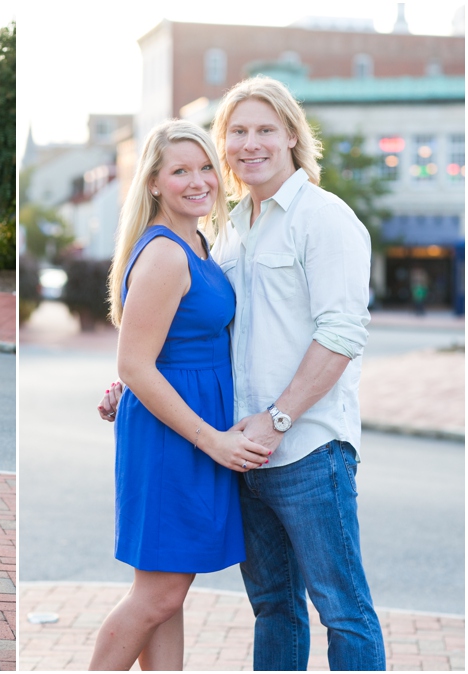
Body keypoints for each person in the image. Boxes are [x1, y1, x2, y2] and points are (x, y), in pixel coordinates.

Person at [101, 76, 386, 671]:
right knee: (273, 607)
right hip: (232, 448)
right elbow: (189, 328)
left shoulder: (325, 219)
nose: (248, 144)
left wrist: (279, 419)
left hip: (304, 446)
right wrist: (134, 376)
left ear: (290, 136)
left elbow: (341, 334)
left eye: (263, 130)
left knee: (343, 611)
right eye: (236, 132)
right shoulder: (231, 230)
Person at [88, 120, 272, 671]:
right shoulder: (168, 253)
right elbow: (135, 362)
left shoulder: (196, 241)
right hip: (179, 438)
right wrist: (212, 441)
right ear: (153, 183)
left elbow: (155, 350)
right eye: (180, 171)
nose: (199, 181)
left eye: (205, 167)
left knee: (169, 595)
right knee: (159, 595)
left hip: (187, 426)